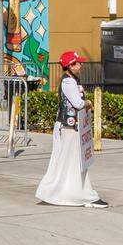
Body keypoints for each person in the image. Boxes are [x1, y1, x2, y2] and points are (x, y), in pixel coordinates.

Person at [35, 51, 107, 208]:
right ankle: (68, 193)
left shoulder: (73, 80)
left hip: (73, 128)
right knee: (68, 162)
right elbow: (78, 103)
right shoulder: (68, 82)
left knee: (73, 162)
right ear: (69, 66)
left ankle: (75, 192)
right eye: (76, 63)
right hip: (68, 128)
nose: (80, 65)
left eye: (79, 63)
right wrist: (87, 102)